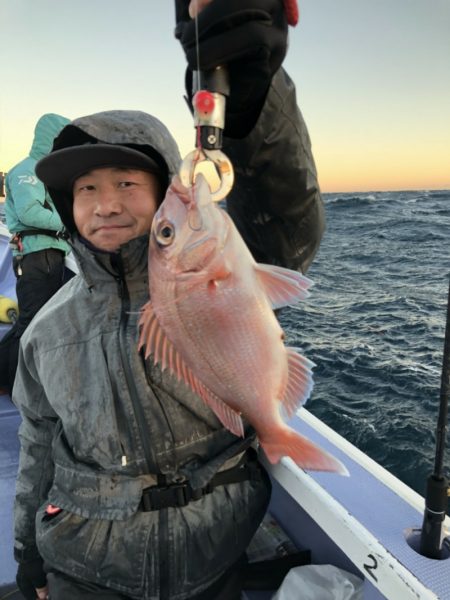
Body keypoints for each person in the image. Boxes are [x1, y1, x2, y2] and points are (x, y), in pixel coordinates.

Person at [12, 1, 325, 599]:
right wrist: (29, 568)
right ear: (66, 207)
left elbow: (287, 228)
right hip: (85, 569)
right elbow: (35, 454)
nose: (105, 204)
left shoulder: (213, 253)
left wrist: (255, 97)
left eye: (127, 184)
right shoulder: (45, 332)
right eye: (86, 190)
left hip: (216, 551)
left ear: (164, 193)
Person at [0, 113, 71, 394]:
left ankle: (11, 379)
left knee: (39, 321)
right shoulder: (27, 171)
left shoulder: (44, 172)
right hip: (38, 256)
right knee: (32, 322)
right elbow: (30, 212)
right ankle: (12, 382)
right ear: (52, 139)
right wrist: (70, 225)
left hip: (50, 254)